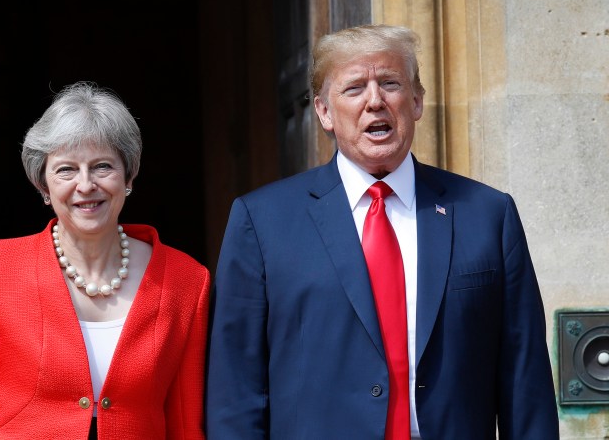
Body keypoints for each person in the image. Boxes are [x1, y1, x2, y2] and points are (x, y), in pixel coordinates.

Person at [205, 24, 559, 440]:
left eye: (390, 83)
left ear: (416, 101)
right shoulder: (261, 221)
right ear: (323, 112)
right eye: (354, 88)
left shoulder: (487, 214)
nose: (375, 101)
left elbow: (525, 381)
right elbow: (236, 390)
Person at [0, 81, 210, 439]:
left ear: (129, 175)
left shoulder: (187, 281)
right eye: (66, 170)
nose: (85, 185)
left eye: (102, 166)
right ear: (43, 185)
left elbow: (187, 424)